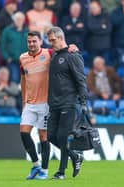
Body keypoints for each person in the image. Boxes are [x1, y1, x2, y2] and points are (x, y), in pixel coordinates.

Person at [47, 27, 86, 179]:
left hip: (68, 102)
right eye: (49, 41)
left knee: (62, 136)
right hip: (54, 103)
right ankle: (75, 156)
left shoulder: (72, 55)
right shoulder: (55, 56)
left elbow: (81, 79)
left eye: (53, 40)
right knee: (50, 136)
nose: (51, 43)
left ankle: (61, 172)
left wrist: (83, 101)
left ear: (61, 38)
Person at [19, 31, 52, 180]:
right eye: (29, 41)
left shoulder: (49, 53)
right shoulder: (23, 58)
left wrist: (71, 47)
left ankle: (45, 171)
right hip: (30, 103)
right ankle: (36, 164)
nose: (31, 44)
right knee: (24, 132)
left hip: (45, 103)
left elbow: (62, 50)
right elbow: (23, 80)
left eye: (34, 41)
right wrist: (23, 101)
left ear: (40, 41)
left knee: (43, 136)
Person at [0, 11, 28, 83]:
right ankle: (15, 94)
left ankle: (22, 94)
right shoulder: (7, 30)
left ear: (24, 20)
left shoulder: (27, 31)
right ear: (14, 20)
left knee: (25, 80)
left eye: (21, 19)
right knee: (14, 79)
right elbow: (2, 45)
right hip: (12, 61)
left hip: (25, 61)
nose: (19, 21)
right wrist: (7, 57)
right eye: (17, 19)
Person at [86, 0, 112, 66]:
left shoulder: (107, 16)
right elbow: (90, 28)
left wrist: (96, 28)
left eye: (94, 8)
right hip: (93, 48)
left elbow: (108, 29)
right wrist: (101, 27)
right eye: (91, 8)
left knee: (105, 68)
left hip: (105, 47)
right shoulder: (89, 17)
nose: (92, 10)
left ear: (100, 7)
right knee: (93, 68)